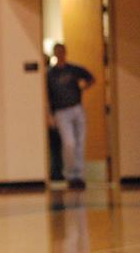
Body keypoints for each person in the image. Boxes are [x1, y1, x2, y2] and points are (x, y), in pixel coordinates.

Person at [47, 43, 95, 190]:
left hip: (77, 107)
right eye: (57, 52)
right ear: (54, 54)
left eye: (62, 51)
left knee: (80, 142)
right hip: (61, 111)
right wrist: (50, 115)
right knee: (69, 143)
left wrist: (82, 88)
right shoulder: (50, 74)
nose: (60, 54)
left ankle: (79, 175)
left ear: (65, 52)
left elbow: (90, 78)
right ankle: (70, 174)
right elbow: (48, 95)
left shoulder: (73, 69)